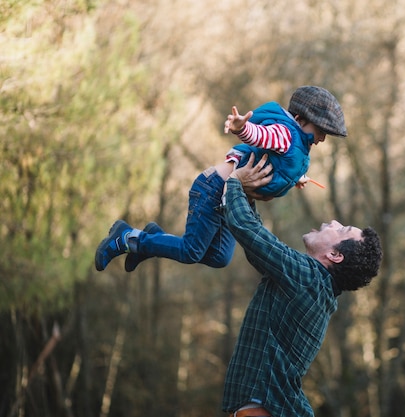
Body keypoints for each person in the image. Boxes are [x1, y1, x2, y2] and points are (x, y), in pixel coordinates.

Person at [95, 86, 347, 272]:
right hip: (213, 189)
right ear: (301, 119)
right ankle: (127, 237)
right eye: (321, 131)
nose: (322, 138)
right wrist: (241, 128)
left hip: (228, 199)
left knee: (218, 257)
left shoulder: (296, 144)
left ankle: (151, 239)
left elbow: (278, 163)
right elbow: (261, 136)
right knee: (190, 251)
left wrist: (297, 178)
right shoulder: (285, 135)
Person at [219, 155, 383, 417]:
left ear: (335, 255)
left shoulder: (308, 279)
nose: (333, 222)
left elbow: (248, 231)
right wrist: (248, 195)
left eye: (341, 230)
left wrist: (236, 183)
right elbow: (257, 246)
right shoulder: (313, 285)